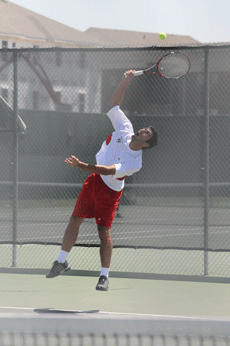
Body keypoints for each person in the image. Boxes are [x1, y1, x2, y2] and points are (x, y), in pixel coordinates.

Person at [46, 70, 158, 291]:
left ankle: (104, 276)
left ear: (146, 144)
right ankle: (61, 261)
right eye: (144, 128)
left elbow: (108, 171)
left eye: (147, 133)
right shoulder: (125, 128)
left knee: (103, 231)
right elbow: (113, 104)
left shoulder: (135, 162)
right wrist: (126, 80)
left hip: (110, 190)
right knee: (75, 219)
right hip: (93, 180)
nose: (143, 130)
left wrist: (82, 166)